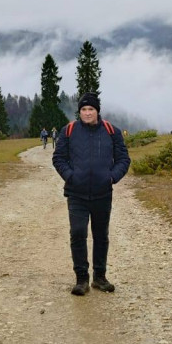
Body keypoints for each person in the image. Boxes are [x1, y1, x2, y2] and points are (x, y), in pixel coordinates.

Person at [52, 92, 131, 295]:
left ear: (97, 111)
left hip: (103, 193)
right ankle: (81, 279)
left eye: (91, 109)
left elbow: (123, 159)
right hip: (76, 193)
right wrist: (70, 176)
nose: (87, 113)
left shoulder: (111, 131)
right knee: (77, 233)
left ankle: (100, 277)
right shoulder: (68, 130)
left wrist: (112, 177)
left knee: (101, 235)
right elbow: (58, 158)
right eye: (84, 110)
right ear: (79, 112)